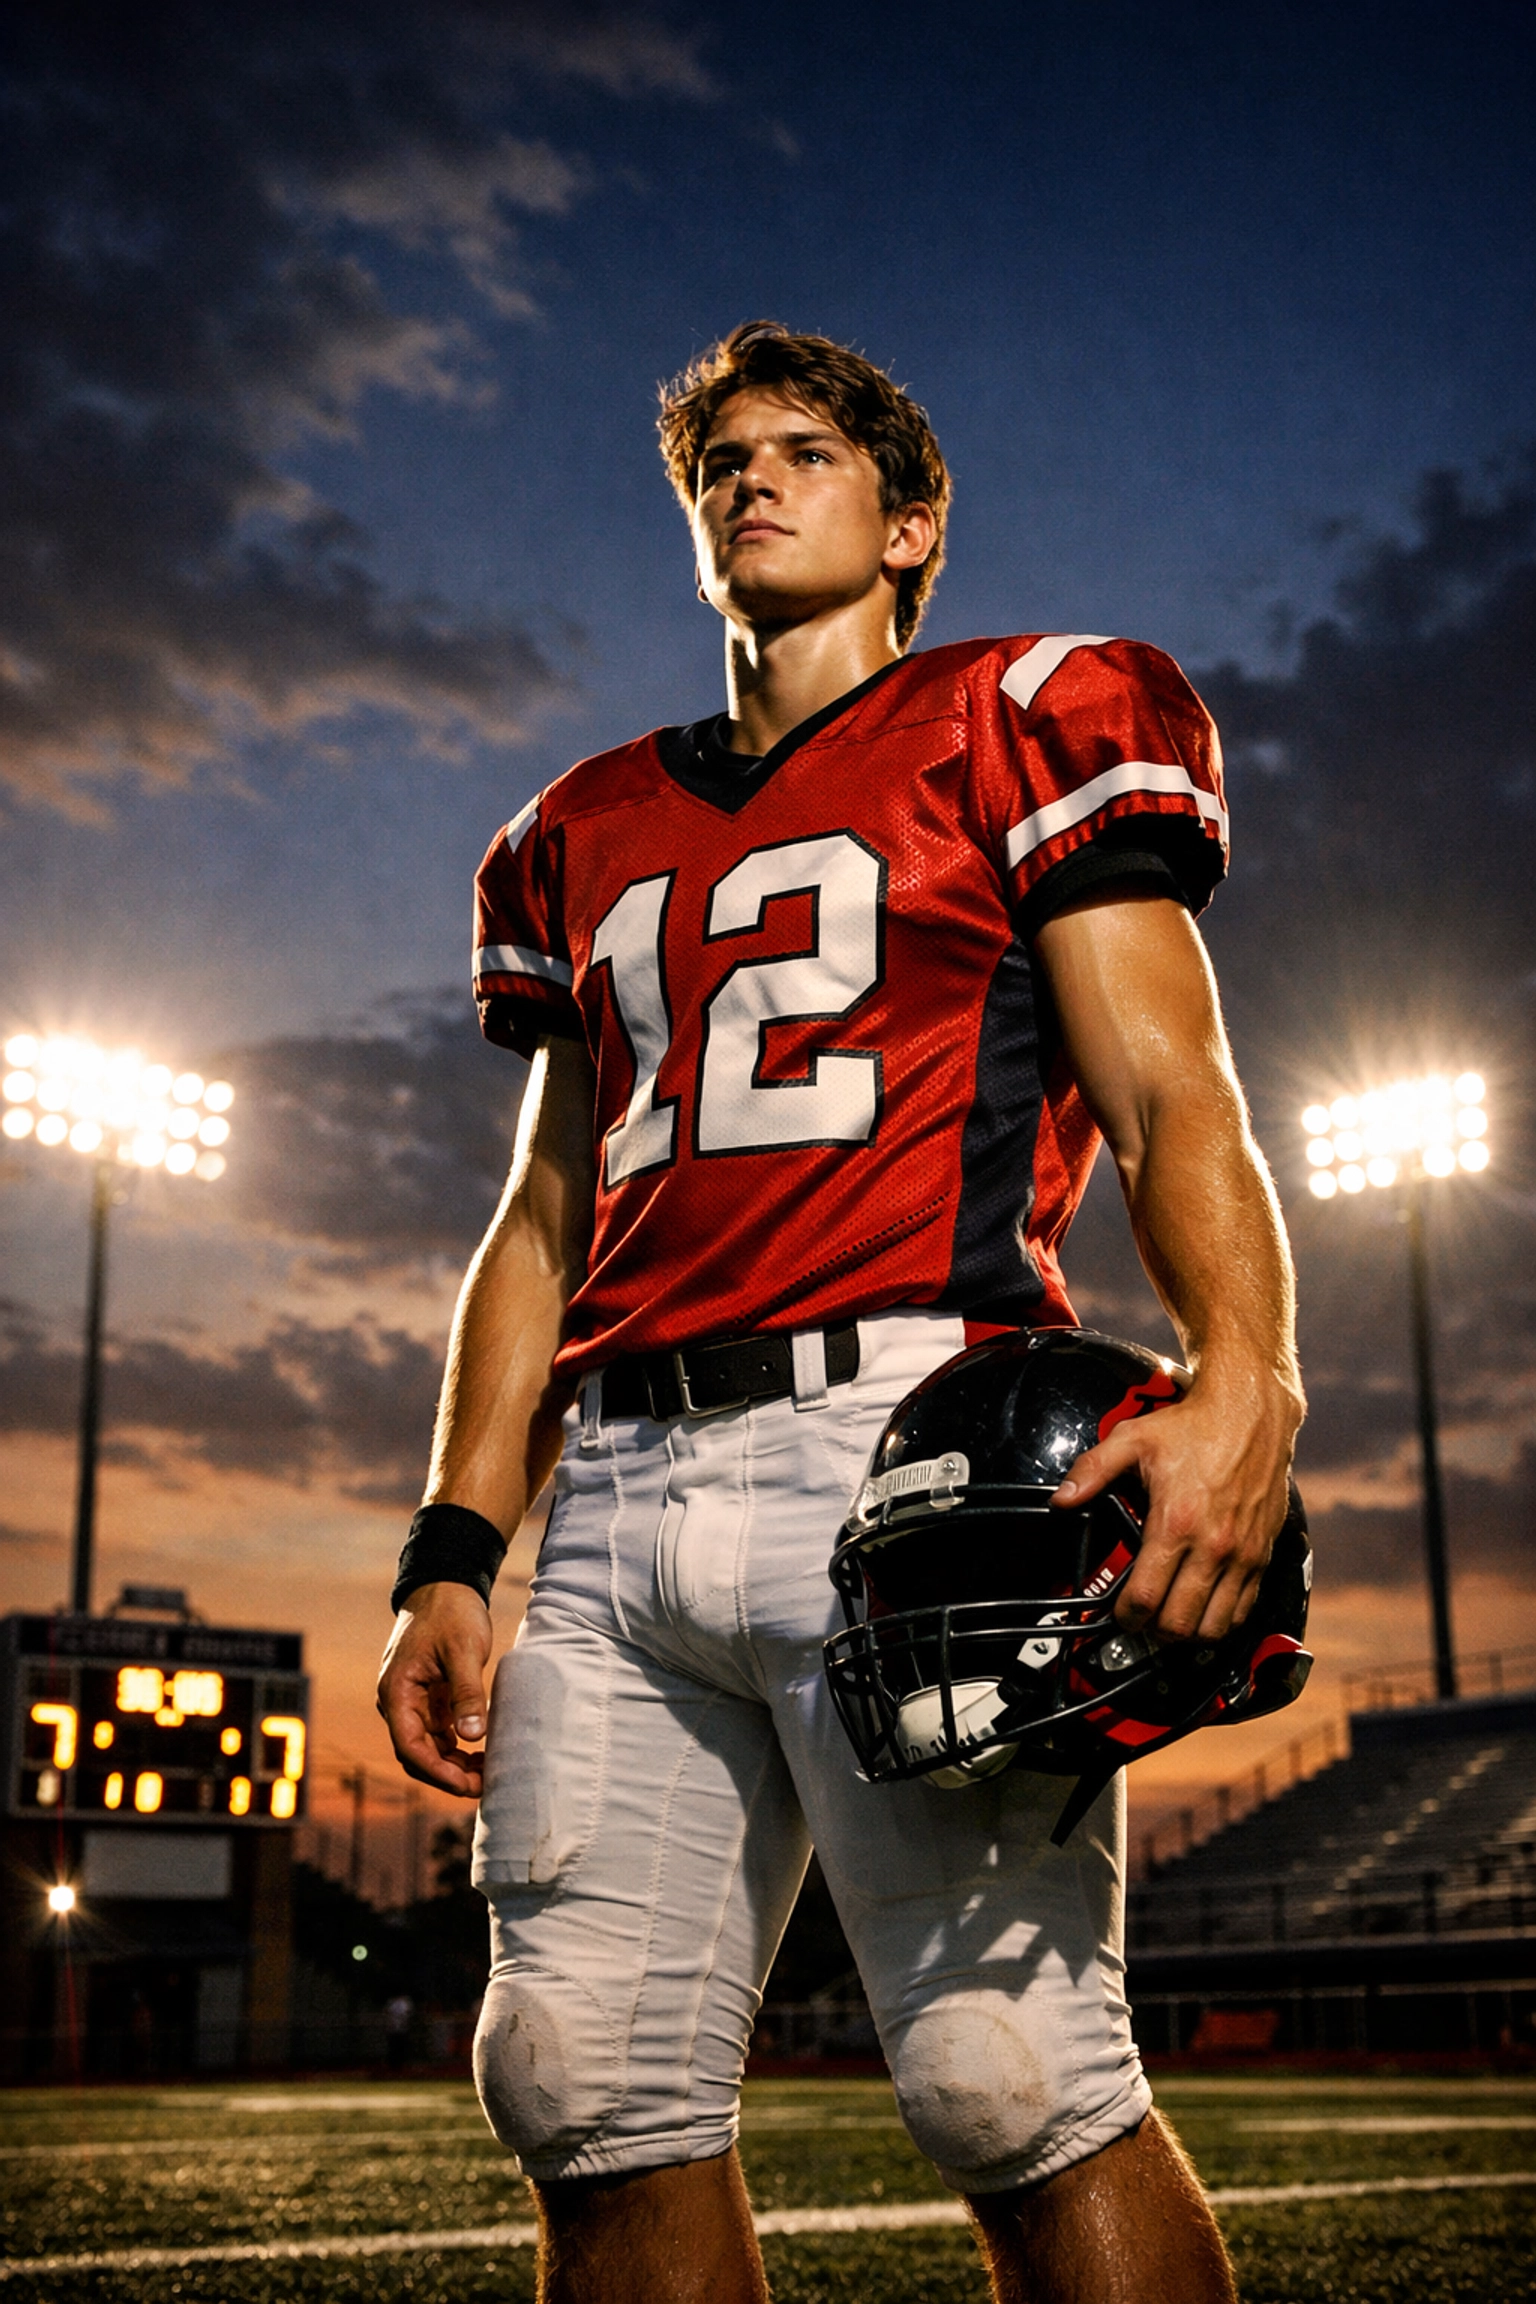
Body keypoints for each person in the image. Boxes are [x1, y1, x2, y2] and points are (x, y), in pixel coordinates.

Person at [377, 321, 1303, 2304]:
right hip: (613, 1492)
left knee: (1007, 2075)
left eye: (802, 450)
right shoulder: (575, 827)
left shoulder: (1024, 714)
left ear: (911, 521)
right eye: (720, 460)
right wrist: (454, 1548)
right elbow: (543, 1216)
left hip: (904, 1460)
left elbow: (1170, 1092)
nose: (752, 480)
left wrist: (1248, 1379)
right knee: (571, 2082)